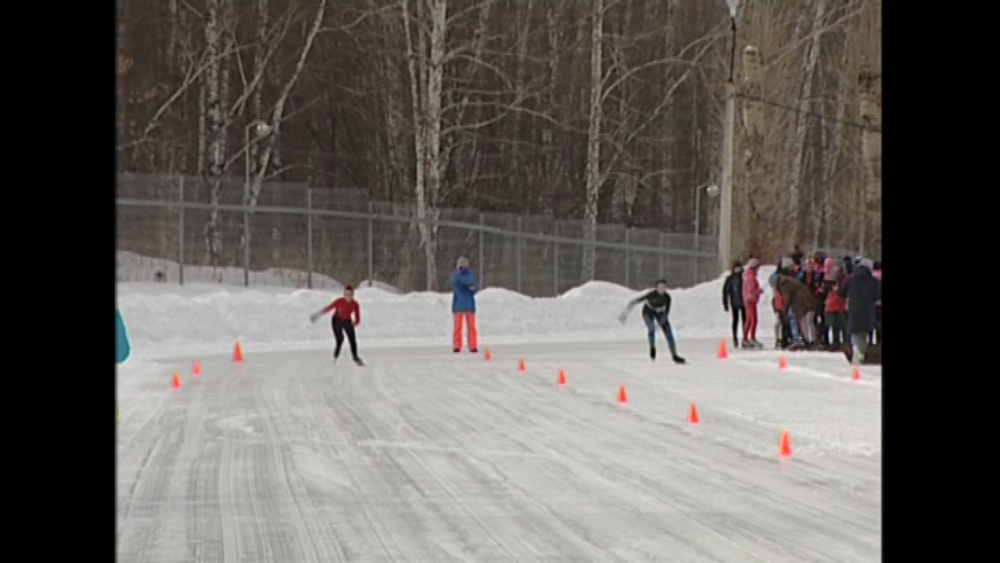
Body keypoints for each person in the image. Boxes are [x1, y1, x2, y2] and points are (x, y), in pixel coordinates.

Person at [619, 279, 686, 363]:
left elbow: (667, 311)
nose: (661, 289)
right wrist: (625, 313)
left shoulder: (667, 297)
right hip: (648, 312)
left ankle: (674, 355)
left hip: (660, 312)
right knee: (652, 328)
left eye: (663, 287)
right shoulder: (651, 295)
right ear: (656, 288)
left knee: (669, 332)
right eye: (659, 287)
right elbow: (635, 301)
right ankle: (652, 348)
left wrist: (663, 319)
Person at [840, 258, 881, 365]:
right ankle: (861, 352)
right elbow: (878, 296)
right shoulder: (874, 281)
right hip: (867, 310)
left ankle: (856, 350)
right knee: (864, 333)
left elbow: (842, 292)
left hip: (853, 308)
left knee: (855, 332)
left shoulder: (851, 279)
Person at [310, 285, 364, 365]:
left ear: (353, 295)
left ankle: (355, 357)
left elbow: (358, 318)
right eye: (346, 294)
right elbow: (329, 308)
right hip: (336, 320)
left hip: (347, 321)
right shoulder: (339, 301)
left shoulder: (355, 304)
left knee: (352, 340)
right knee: (340, 339)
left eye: (350, 295)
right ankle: (336, 355)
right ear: (344, 294)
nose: (348, 297)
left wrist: (354, 323)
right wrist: (318, 314)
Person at [775, 274, 817, 349]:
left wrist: (784, 311)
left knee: (803, 321)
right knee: (806, 320)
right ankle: (808, 339)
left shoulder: (784, 285)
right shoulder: (789, 281)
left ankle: (807, 340)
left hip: (801, 301)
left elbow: (787, 298)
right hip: (805, 299)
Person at [451, 257, 479, 353]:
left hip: (469, 304)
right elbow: (457, 283)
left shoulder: (470, 274)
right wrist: (467, 285)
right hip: (459, 304)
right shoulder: (456, 275)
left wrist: (472, 287)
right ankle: (457, 345)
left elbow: (475, 286)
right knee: (458, 327)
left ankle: (473, 345)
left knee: (471, 327)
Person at [823, 264, 849, 351]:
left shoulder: (844, 281)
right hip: (832, 306)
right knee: (835, 327)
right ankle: (836, 343)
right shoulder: (829, 282)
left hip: (840, 306)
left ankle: (844, 343)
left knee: (842, 326)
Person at [722, 261, 746, 348]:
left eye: (739, 267)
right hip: (734, 302)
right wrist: (725, 303)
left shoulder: (744, 277)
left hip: (744, 302)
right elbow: (726, 291)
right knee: (735, 320)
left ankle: (745, 338)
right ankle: (735, 338)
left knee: (745, 321)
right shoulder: (730, 279)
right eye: (736, 267)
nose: (738, 269)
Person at [742, 258, 764, 348]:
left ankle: (746, 338)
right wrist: (758, 291)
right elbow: (751, 290)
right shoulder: (751, 277)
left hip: (748, 300)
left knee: (749, 320)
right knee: (753, 320)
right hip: (751, 300)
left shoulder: (748, 276)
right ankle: (751, 338)